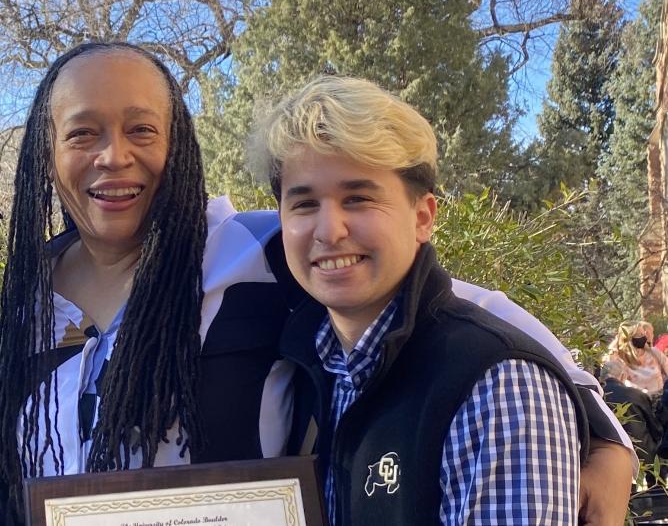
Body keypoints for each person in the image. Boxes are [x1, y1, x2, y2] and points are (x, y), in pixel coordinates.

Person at [0, 42, 634, 525]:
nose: (113, 156)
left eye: (141, 129)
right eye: (82, 132)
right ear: (48, 151)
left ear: (177, 144)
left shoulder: (253, 250)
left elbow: (456, 312)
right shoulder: (27, 299)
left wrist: (610, 442)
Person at [247, 75, 584, 524]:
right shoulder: (306, 372)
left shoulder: (497, 386)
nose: (329, 230)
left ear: (423, 217)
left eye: (359, 198)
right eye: (305, 205)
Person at [604, 320, 668, 395]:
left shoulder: (653, 352)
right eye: (639, 334)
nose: (644, 336)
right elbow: (613, 385)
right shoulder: (619, 360)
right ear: (629, 338)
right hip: (637, 402)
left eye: (643, 333)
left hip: (659, 400)